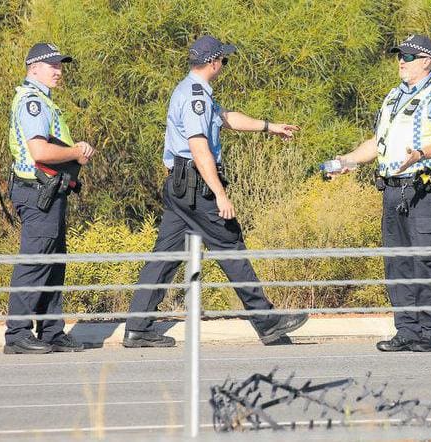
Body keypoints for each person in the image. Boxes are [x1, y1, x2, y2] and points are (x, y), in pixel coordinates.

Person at [124, 35, 308, 348]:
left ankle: (137, 327)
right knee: (230, 244)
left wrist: (270, 126)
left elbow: (225, 119)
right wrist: (220, 193)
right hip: (196, 186)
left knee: (165, 257)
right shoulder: (196, 95)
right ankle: (266, 321)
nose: (225, 64)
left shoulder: (197, 93)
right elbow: (199, 147)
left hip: (182, 187)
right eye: (224, 59)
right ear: (212, 62)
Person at [329, 34, 431, 352]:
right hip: (392, 190)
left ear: (427, 60)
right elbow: (377, 144)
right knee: (397, 263)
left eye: (409, 56)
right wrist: (345, 161)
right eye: (399, 55)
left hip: (425, 188)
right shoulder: (393, 97)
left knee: (425, 261)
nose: (401, 60)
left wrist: (420, 153)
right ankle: (407, 330)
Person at [4, 43, 95, 354]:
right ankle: (17, 334)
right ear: (34, 68)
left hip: (48, 192)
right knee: (36, 261)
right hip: (37, 193)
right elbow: (40, 151)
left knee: (53, 263)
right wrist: (76, 152)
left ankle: (52, 331)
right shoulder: (33, 102)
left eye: (60, 64)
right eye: (52, 64)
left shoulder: (42, 100)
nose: (59, 70)